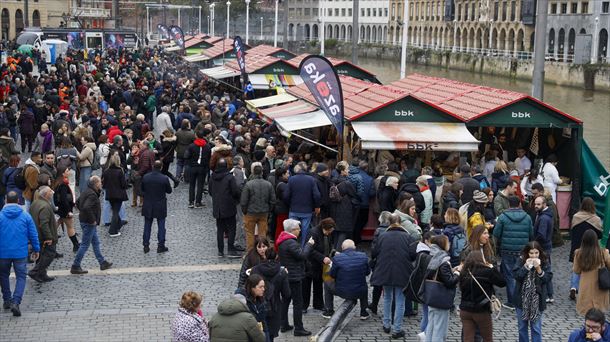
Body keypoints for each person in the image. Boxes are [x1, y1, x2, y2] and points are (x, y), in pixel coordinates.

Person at [370, 213, 418, 339]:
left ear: (389, 223)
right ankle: (397, 328)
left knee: (387, 298)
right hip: (402, 271)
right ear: (400, 223)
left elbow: (374, 252)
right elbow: (413, 255)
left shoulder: (382, 236)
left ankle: (386, 324)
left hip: (385, 270)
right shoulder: (408, 237)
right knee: (400, 300)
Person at [0, 191, 40, 317]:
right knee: (21, 277)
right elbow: (33, 234)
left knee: (3, 276)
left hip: (3, 252)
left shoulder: (0, 216)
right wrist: (36, 249)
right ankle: (16, 302)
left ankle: (7, 299)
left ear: (6, 200)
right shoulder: (25, 216)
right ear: (18, 201)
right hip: (20, 253)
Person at [493, 195, 534, 307]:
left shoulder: (503, 217)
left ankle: (512, 301)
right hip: (522, 250)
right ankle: (522, 298)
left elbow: (496, 234)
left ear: (508, 204)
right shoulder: (527, 217)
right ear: (520, 204)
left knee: (510, 275)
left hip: (507, 250)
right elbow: (531, 234)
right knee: (522, 274)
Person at [277, 219, 315, 337]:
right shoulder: (291, 242)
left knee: (286, 300)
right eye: (298, 229)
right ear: (292, 230)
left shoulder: (283, 240)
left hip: (286, 276)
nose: (300, 230)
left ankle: (283, 325)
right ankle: (298, 328)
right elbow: (302, 256)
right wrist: (309, 245)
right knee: (298, 303)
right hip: (294, 277)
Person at [458, 250, 506, 342]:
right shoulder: (487, 271)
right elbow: (502, 283)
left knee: (468, 338)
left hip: (465, 310)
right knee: (487, 338)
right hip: (481, 309)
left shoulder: (464, 272)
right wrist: (493, 268)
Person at [70, 176, 113, 274]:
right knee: (85, 245)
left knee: (96, 242)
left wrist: (83, 213)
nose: (101, 184)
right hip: (89, 223)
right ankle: (75, 265)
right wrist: (92, 219)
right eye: (100, 183)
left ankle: (102, 262)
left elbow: (77, 203)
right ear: (96, 184)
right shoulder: (93, 194)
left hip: (85, 221)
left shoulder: (87, 191)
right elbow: (86, 207)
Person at [512, 242, 552, 342]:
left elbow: (547, 279)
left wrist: (539, 269)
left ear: (540, 253)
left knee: (536, 328)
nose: (534, 256)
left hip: (537, 301)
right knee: (522, 327)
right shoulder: (521, 261)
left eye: (536, 253)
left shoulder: (545, 262)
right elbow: (516, 276)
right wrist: (525, 267)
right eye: (531, 253)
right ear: (527, 253)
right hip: (521, 300)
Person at [424, 235, 459, 342]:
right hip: (441, 299)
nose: (449, 244)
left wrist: (451, 271)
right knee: (439, 329)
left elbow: (438, 274)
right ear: (442, 244)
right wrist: (458, 273)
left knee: (431, 326)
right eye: (448, 242)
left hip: (431, 296)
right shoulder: (443, 259)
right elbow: (449, 282)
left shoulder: (432, 256)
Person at [251, 248, 290, 342]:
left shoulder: (255, 269)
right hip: (274, 307)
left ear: (265, 256)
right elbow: (287, 294)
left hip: (258, 306)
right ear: (276, 257)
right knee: (270, 335)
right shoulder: (282, 272)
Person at [327, 239, 371, 320]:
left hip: (342, 291)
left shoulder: (337, 258)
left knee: (327, 285)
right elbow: (368, 272)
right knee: (363, 285)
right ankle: (363, 312)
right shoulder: (363, 256)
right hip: (359, 292)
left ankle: (329, 310)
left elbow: (332, 275)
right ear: (354, 247)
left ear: (342, 248)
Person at [569, 197, 602, 300]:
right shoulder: (596, 219)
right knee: (590, 268)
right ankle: (587, 289)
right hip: (591, 247)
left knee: (576, 267)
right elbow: (599, 234)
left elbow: (572, 232)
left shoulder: (575, 217)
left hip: (577, 246)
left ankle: (574, 287)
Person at [284, 161, 321, 248]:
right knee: (305, 231)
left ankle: (291, 246)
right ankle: (303, 248)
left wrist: (290, 203)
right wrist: (316, 206)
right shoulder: (311, 179)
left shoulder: (292, 179)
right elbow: (317, 195)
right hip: (307, 210)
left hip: (294, 209)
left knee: (291, 229)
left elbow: (286, 195)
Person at [574, 229, 610, 315]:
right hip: (600, 286)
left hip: (586, 287)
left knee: (588, 314)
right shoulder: (602, 252)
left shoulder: (579, 253)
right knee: (599, 315)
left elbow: (576, 270)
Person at [241, 162, 276, 251]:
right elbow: (273, 200)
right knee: (262, 234)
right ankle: (263, 251)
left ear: (253, 173)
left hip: (250, 212)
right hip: (264, 212)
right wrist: (269, 210)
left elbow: (244, 201)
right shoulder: (268, 184)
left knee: (249, 233)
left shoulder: (249, 184)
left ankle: (250, 252)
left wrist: (245, 211)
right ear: (262, 173)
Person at [27, 186, 58, 283]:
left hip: (37, 234)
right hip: (43, 236)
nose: (52, 192)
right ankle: (35, 272)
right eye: (50, 191)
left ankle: (42, 274)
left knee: (41, 255)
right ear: (46, 194)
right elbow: (44, 223)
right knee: (50, 254)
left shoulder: (35, 203)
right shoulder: (44, 206)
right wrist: (49, 237)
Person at [141, 160, 172, 253]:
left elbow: (142, 189)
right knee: (161, 226)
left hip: (148, 204)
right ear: (161, 167)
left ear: (153, 166)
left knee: (147, 225)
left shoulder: (146, 177)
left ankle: (146, 246)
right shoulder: (164, 178)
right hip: (160, 205)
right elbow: (169, 191)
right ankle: (161, 246)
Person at [307, 218, 335, 316]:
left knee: (318, 284)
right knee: (307, 285)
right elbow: (310, 250)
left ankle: (318, 304)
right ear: (324, 228)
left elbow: (330, 246)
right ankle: (304, 306)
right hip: (311, 263)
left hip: (321, 263)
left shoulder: (327, 233)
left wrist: (334, 252)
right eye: (328, 231)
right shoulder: (314, 233)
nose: (329, 233)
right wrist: (323, 258)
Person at [330, 161, 359, 249]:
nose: (348, 171)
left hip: (334, 209)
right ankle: (338, 252)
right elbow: (355, 196)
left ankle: (334, 250)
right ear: (342, 171)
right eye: (347, 169)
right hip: (345, 210)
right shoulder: (347, 184)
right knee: (343, 232)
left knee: (336, 232)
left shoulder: (333, 181)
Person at [52, 166, 80, 253]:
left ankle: (76, 244)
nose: (69, 172)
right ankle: (76, 245)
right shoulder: (63, 184)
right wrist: (68, 211)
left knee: (56, 226)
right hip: (64, 210)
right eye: (67, 171)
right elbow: (64, 199)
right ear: (63, 173)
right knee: (70, 226)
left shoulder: (59, 182)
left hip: (61, 209)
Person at [533, 195, 554, 303]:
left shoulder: (544, 218)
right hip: (546, 247)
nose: (535, 206)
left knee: (544, 271)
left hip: (543, 248)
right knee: (546, 270)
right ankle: (550, 294)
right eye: (535, 204)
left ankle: (547, 295)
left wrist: (534, 243)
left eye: (538, 204)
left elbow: (541, 235)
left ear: (544, 204)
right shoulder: (544, 215)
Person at [102, 153, 128, 237]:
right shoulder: (120, 171)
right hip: (118, 194)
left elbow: (104, 184)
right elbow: (123, 184)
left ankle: (118, 224)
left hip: (109, 194)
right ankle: (112, 231)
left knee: (114, 210)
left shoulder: (106, 171)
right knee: (116, 212)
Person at [184, 129, 211, 208]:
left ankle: (191, 202)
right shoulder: (207, 146)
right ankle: (198, 202)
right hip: (202, 168)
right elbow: (209, 157)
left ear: (196, 136)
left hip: (193, 167)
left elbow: (186, 156)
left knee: (192, 185)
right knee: (200, 185)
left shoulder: (191, 146)